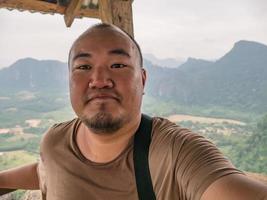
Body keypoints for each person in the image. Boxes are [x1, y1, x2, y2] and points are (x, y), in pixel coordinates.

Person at [0, 23, 267, 200]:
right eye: (83, 67)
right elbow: (46, 169)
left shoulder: (176, 153)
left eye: (117, 65)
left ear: (143, 81)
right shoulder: (54, 142)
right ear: (69, 81)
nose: (100, 79)